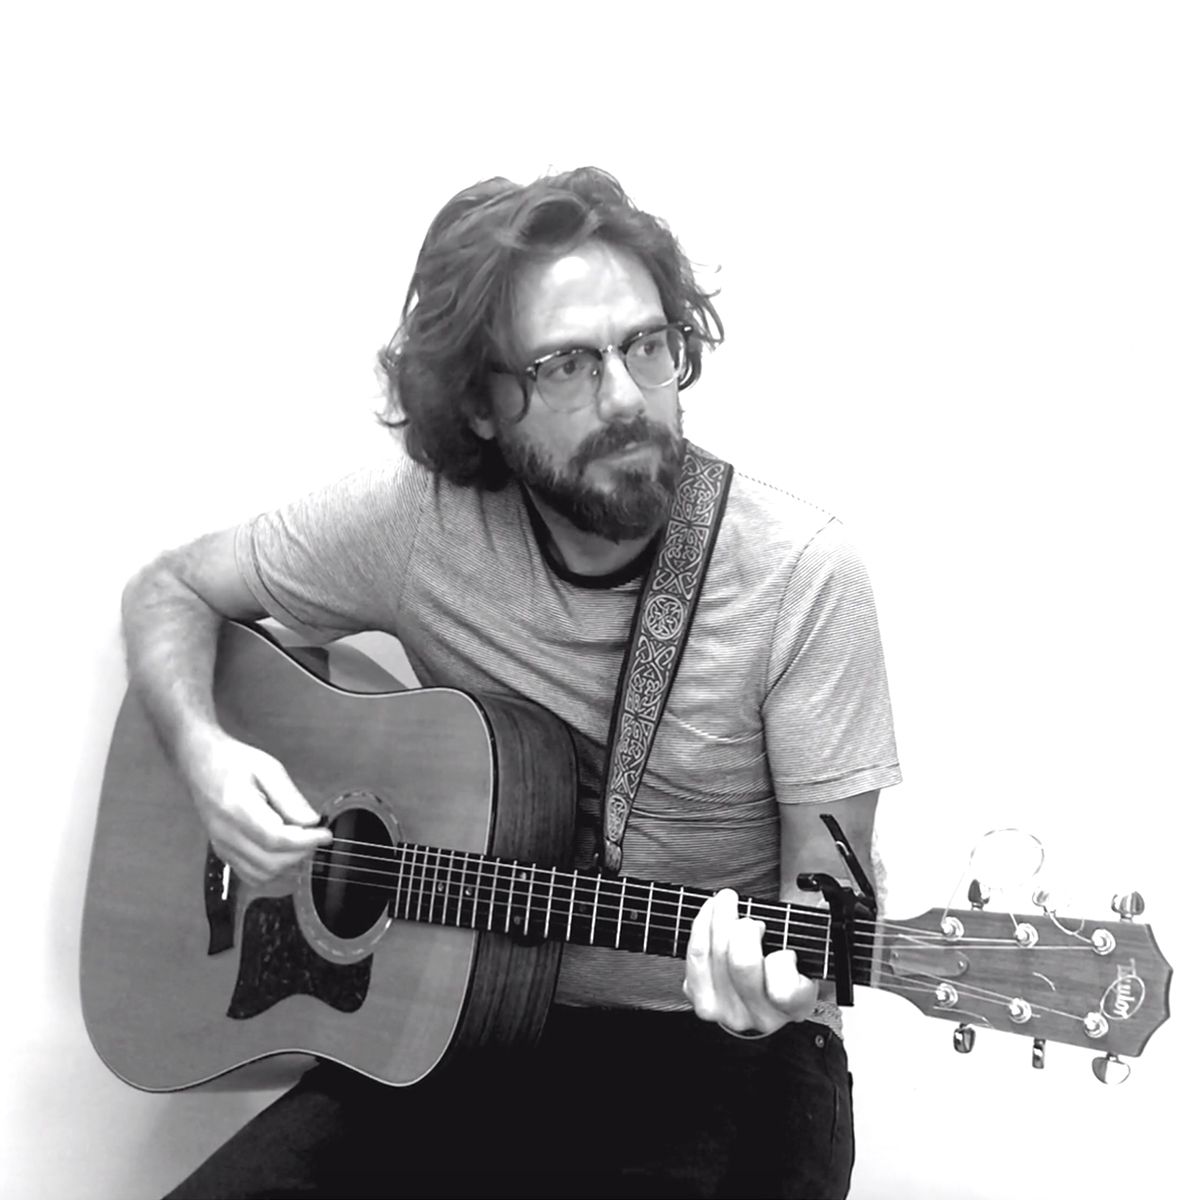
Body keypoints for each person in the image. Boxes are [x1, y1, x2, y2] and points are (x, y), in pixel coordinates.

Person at [122, 166, 902, 1199]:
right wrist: (205, 756)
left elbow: (830, 891)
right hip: (462, 1035)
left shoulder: (802, 574)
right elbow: (170, 590)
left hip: (726, 1054)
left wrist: (787, 985)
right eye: (567, 364)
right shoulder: (417, 525)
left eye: (647, 345)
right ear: (481, 403)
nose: (625, 397)